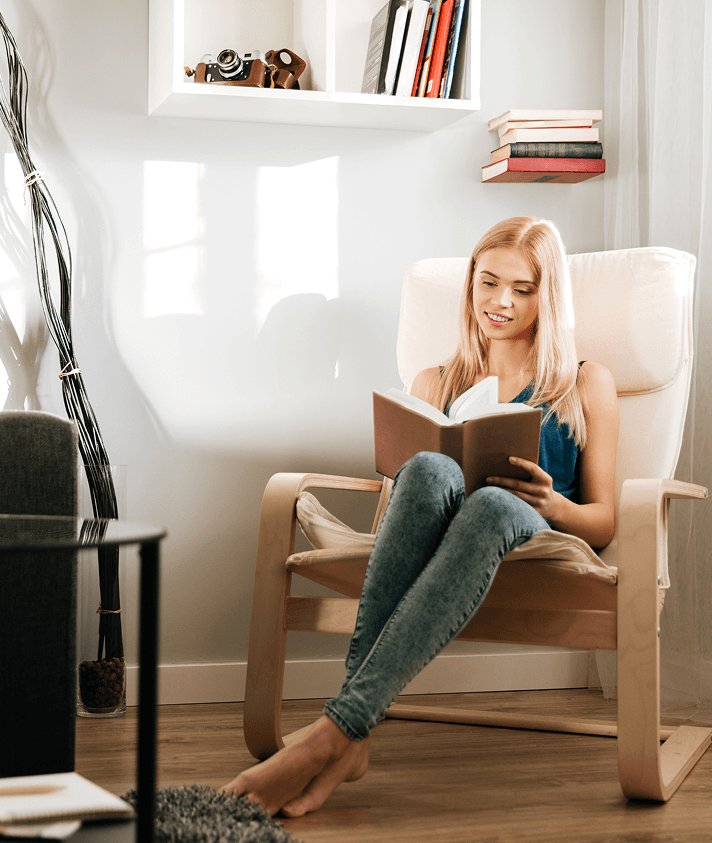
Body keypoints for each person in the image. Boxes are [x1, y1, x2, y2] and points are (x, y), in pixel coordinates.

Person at [222, 216, 620, 817]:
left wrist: (551, 503)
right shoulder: (435, 379)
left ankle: (340, 731)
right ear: (470, 285)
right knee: (433, 472)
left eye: (523, 288)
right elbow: (406, 503)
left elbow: (605, 521)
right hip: (443, 538)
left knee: (490, 502)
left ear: (549, 295)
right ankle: (351, 738)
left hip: (531, 535)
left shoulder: (584, 383)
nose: (501, 302)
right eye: (488, 282)